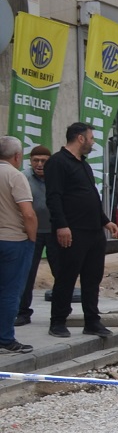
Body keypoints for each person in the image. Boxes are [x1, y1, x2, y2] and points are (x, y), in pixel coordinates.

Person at [45, 122, 118, 339]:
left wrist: (105, 221)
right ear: (80, 138)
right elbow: (54, 197)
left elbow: (91, 196)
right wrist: (61, 225)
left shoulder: (84, 165)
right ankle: (57, 321)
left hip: (94, 231)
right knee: (67, 277)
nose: (93, 142)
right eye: (91, 138)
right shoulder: (57, 162)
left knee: (92, 278)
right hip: (72, 230)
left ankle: (92, 321)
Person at [0, 136, 38, 354]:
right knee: (10, 291)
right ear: (17, 156)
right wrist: (31, 238)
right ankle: (5, 338)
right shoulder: (15, 176)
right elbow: (28, 213)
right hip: (13, 240)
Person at [14, 146, 51, 327]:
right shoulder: (23, 177)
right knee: (27, 274)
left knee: (61, 272)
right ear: (30, 161)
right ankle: (23, 312)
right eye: (36, 160)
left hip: (55, 232)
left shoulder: (57, 177)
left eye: (44, 161)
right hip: (31, 233)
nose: (39, 164)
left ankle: (60, 313)